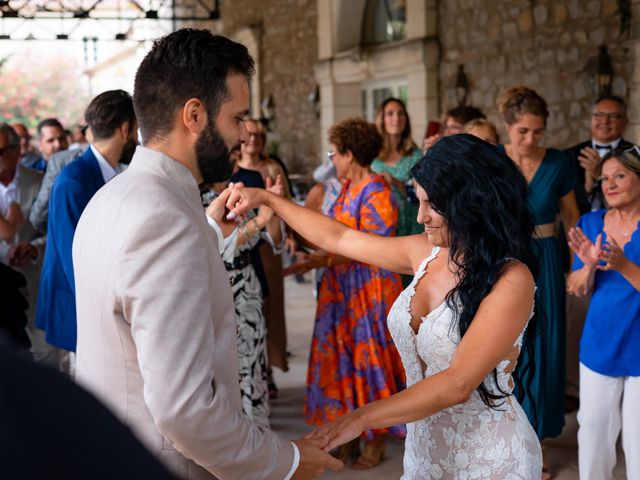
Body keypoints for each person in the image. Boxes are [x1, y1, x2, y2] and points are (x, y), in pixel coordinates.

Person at [71, 29, 340, 480]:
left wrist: (209, 228)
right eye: (237, 118)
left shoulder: (113, 198)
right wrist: (287, 461)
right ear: (194, 114)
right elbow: (184, 410)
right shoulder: (165, 220)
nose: (243, 135)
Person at [226, 133, 543, 478]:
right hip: (423, 453)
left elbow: (457, 383)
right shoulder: (424, 253)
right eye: (417, 200)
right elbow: (339, 238)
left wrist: (360, 417)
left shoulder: (512, 279)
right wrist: (268, 201)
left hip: (492, 457)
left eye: (432, 205)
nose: (420, 216)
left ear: (470, 202)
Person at [281, 118, 407, 470]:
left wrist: (322, 259)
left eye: (335, 153)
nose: (332, 160)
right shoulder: (344, 189)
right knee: (343, 358)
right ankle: (349, 434)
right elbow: (325, 235)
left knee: (369, 359)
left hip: (369, 288)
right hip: (339, 287)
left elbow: (369, 247)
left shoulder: (377, 191)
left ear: (351, 154)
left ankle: (377, 434)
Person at [496, 86, 579, 471]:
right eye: (523, 131)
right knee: (507, 345)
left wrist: (581, 265)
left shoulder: (559, 163)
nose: (531, 139)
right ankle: (505, 440)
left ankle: (536, 444)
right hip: (504, 261)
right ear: (507, 125)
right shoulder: (494, 162)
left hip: (545, 259)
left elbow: (573, 219)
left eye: (538, 131)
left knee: (544, 346)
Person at [35, 90, 137, 367]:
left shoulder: (118, 172)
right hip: (81, 309)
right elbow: (74, 259)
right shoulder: (73, 180)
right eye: (137, 128)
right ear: (126, 128)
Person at [566, 147, 640, 480]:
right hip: (600, 345)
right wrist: (590, 265)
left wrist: (624, 266)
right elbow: (576, 286)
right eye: (604, 178)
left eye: (619, 176)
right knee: (593, 436)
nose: (609, 184)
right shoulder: (590, 223)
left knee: (638, 444)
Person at [563, 95, 634, 412]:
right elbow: (566, 202)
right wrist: (591, 180)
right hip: (584, 240)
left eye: (613, 116)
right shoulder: (571, 156)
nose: (604, 122)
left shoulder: (634, 155)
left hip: (625, 243)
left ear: (625, 121)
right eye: (598, 115)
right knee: (580, 319)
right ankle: (578, 393)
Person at [0, 123, 61, 365]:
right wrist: (7, 252)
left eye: (3, 150)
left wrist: (34, 248)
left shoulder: (39, 182)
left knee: (47, 352)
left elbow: (55, 231)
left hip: (37, 279)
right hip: (2, 288)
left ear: (17, 151)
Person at [238, 118, 291, 389]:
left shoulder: (272, 167)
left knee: (271, 307)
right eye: (250, 134)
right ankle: (257, 369)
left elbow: (287, 207)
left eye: (259, 135)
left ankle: (270, 365)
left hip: (270, 245)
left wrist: (290, 237)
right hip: (244, 243)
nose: (254, 140)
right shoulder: (232, 169)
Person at [371, 98, 423, 242]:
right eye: (390, 113)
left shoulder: (415, 155)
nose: (396, 118)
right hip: (379, 223)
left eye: (401, 114)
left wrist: (394, 181)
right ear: (381, 119)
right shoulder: (371, 155)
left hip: (410, 224)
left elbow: (420, 196)